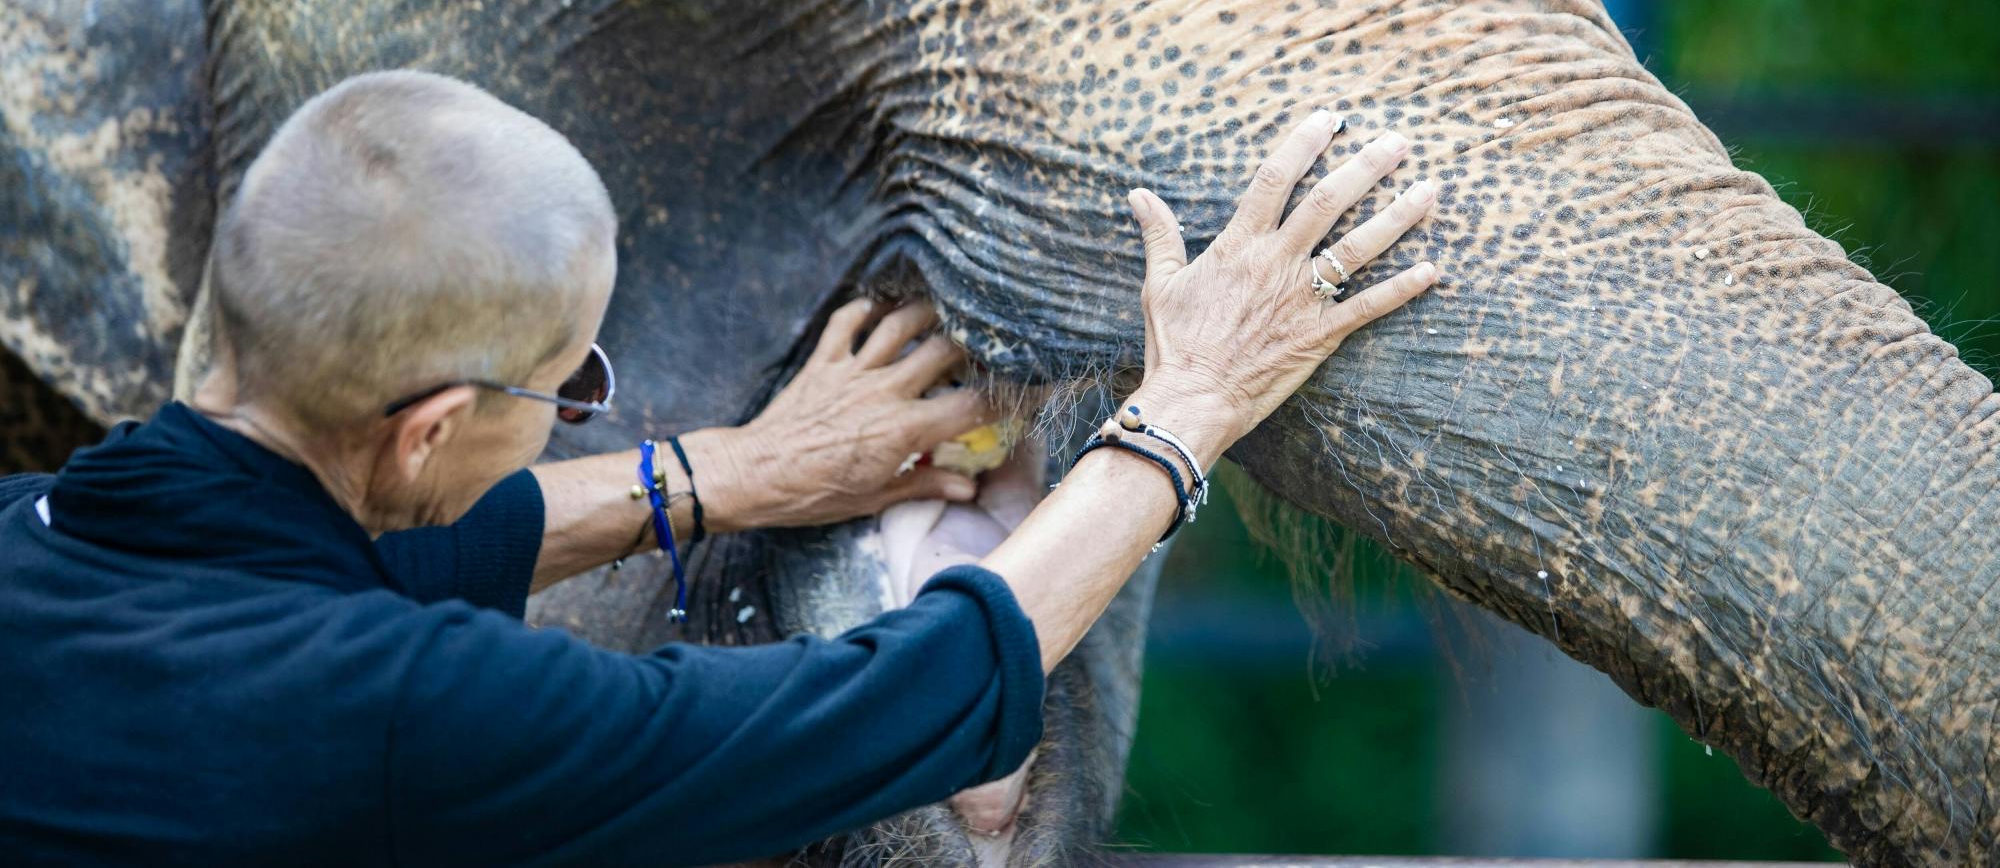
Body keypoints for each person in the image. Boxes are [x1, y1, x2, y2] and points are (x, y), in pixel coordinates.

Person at [0, 71, 1437, 866]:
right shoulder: (395, 710)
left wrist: (739, 471)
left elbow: (341, 551)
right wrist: (1189, 405)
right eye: (572, 386)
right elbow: (892, 700)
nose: (578, 408)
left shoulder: (39, 536)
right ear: (432, 427)